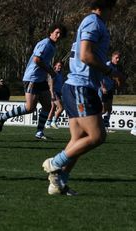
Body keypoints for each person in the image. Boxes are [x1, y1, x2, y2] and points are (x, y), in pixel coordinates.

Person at [42, 0, 124, 196]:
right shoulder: (94, 22)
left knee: (79, 139)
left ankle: (58, 183)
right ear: (107, 6)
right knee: (96, 136)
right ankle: (54, 163)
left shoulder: (94, 23)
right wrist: (110, 71)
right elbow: (86, 55)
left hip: (80, 86)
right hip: (81, 86)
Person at [0, 23, 67, 139]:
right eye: (56, 33)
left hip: (40, 79)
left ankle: (39, 132)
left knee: (47, 106)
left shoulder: (52, 46)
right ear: (51, 32)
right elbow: (37, 60)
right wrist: (50, 70)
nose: (58, 35)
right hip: (32, 78)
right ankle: (3, 116)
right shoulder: (45, 44)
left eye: (60, 34)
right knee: (30, 108)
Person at [99, 51, 121, 133]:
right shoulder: (107, 65)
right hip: (104, 89)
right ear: (112, 57)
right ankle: (92, 121)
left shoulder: (115, 67)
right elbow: (100, 76)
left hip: (110, 89)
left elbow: (113, 77)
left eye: (119, 58)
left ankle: (105, 126)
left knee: (109, 108)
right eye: (116, 58)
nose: (118, 59)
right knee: (104, 109)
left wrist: (116, 83)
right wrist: (103, 87)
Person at [45, 61, 64, 129]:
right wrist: (52, 94)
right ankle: (54, 121)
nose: (60, 67)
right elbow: (51, 85)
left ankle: (48, 123)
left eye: (61, 66)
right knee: (61, 108)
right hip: (54, 92)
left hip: (58, 93)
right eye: (58, 65)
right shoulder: (53, 74)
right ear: (55, 66)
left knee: (53, 108)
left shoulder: (61, 74)